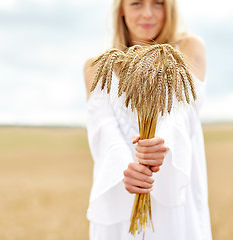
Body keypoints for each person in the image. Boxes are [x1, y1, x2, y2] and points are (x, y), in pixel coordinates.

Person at [83, 0, 212, 239]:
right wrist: (126, 169)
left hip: (174, 194)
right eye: (136, 3)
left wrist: (162, 144)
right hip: (119, 193)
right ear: (121, 9)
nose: (148, 13)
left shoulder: (188, 47)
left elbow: (183, 110)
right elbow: (102, 128)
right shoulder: (96, 66)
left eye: (159, 3)